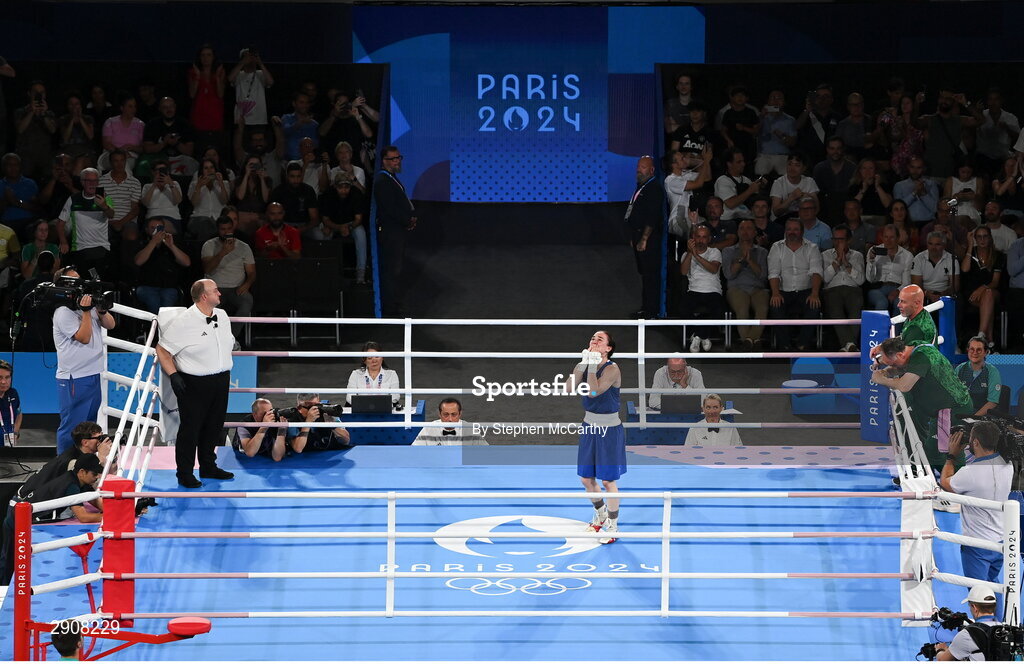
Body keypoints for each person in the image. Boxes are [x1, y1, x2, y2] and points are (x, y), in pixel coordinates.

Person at [155, 279, 236, 488]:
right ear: (204, 296)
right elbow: (162, 349)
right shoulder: (184, 321)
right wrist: (173, 375)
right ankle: (184, 473)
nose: (220, 293)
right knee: (190, 429)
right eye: (215, 290)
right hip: (194, 382)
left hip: (221, 379)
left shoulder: (223, 315)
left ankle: (208, 466)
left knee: (214, 426)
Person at [0, 453, 104, 584]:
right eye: (94, 474)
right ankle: (4, 590)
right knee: (10, 561)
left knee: (11, 559)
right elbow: (83, 517)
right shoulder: (71, 485)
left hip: (23, 517)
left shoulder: (80, 481)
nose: (97, 477)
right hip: (17, 520)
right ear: (82, 472)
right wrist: (108, 516)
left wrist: (121, 509)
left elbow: (96, 501)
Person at [871, 336, 973, 470]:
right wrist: (885, 370)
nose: (892, 367)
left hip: (955, 409)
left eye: (892, 363)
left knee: (944, 451)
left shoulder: (921, 357)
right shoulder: (914, 345)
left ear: (900, 354)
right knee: (941, 451)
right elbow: (902, 367)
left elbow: (904, 385)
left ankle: (955, 484)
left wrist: (880, 379)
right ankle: (952, 482)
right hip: (942, 409)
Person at [940, 422, 1012, 593]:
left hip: (978, 545)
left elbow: (945, 482)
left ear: (976, 442)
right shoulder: (1006, 464)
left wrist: (951, 455)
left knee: (978, 594)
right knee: (993, 586)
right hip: (1000, 541)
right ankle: (999, 620)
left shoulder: (969, 473)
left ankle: (985, 621)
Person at [52, 268, 116, 454]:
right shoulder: (63, 312)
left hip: (92, 375)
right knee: (72, 428)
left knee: (89, 429)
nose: (80, 284)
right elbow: (84, 337)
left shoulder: (86, 306)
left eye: (80, 280)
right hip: (74, 378)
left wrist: (101, 311)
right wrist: (87, 312)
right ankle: (62, 468)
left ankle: (84, 467)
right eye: (74, 281)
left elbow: (111, 324)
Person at [571, 330, 624, 545]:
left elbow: (594, 392)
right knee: (586, 478)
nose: (594, 341)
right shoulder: (584, 364)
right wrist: (583, 365)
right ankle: (601, 514)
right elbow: (567, 388)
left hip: (609, 430)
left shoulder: (613, 369)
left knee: (607, 480)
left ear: (608, 348)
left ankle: (613, 525)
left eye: (599, 339)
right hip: (589, 426)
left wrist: (591, 366)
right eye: (592, 338)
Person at [768, 218, 823, 351]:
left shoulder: (812, 247)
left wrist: (814, 294)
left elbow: (816, 272)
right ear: (785, 231)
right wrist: (775, 293)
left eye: (796, 229)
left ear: (802, 232)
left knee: (814, 306)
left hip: (806, 290)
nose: (792, 232)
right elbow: (774, 273)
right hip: (783, 291)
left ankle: (803, 344)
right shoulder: (776, 247)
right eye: (789, 229)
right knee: (775, 306)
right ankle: (785, 345)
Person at [373, 146, 416, 317]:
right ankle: (391, 308)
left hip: (397, 231)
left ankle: (394, 303)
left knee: (396, 269)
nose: (397, 161)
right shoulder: (383, 181)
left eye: (398, 157)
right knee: (392, 269)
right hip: (391, 233)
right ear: (384, 161)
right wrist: (407, 220)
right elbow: (390, 208)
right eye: (393, 158)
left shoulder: (391, 178)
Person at [56, 167, 115, 278]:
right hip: (79, 248)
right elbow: (60, 223)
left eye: (95, 181)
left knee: (97, 279)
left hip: (100, 247)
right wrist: (63, 242)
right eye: (89, 181)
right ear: (82, 182)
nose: (93, 184)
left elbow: (111, 215)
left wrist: (104, 206)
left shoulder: (105, 198)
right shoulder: (73, 199)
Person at [625, 155, 664, 318]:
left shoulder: (654, 188)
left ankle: (651, 311)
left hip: (648, 239)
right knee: (645, 274)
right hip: (638, 235)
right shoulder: (641, 186)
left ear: (652, 170)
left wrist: (644, 239)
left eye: (642, 167)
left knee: (650, 275)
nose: (638, 170)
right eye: (638, 167)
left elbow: (652, 216)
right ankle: (645, 307)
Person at [722, 218, 770, 347]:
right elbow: (728, 275)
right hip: (736, 288)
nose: (745, 232)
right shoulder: (728, 251)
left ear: (755, 232)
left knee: (763, 308)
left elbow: (763, 276)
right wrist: (739, 262)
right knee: (742, 309)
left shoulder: (762, 252)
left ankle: (748, 340)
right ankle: (752, 341)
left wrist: (750, 261)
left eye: (749, 228)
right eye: (742, 228)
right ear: (737, 232)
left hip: (758, 289)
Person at [202, 215, 256, 327]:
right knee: (209, 306)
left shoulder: (244, 247)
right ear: (218, 230)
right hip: (214, 289)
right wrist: (223, 252)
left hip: (237, 289)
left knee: (247, 301)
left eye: (229, 229)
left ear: (233, 229)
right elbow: (207, 269)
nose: (226, 232)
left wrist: (247, 284)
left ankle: (232, 338)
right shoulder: (209, 245)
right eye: (223, 229)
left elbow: (251, 272)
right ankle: (215, 339)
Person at [133, 217, 191, 314]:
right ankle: (158, 326)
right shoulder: (142, 244)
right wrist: (153, 242)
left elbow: (186, 262)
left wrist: (171, 246)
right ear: (147, 230)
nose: (156, 231)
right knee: (152, 299)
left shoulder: (170, 244)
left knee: (167, 299)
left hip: (168, 287)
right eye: (152, 228)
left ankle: (162, 326)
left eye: (159, 228)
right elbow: (138, 261)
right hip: (146, 286)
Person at [680, 224, 724, 353]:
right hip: (694, 290)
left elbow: (713, 269)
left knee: (718, 310)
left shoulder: (714, 252)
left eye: (704, 237)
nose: (701, 240)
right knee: (683, 309)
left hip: (713, 291)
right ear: (693, 238)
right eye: (698, 237)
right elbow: (683, 272)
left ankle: (698, 336)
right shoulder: (686, 254)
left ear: (709, 239)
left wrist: (697, 256)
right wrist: (690, 253)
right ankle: (703, 336)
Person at [822, 224, 865, 352]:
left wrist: (846, 264)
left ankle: (847, 345)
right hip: (832, 290)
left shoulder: (857, 256)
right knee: (835, 309)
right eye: (835, 239)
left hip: (853, 290)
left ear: (849, 240)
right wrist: (836, 262)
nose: (838, 243)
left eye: (841, 239)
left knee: (856, 307)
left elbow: (860, 280)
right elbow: (824, 279)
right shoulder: (825, 255)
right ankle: (850, 344)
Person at [960, 226, 1004, 343]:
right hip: (973, 295)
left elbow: (995, 282)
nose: (982, 240)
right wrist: (970, 246)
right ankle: (989, 341)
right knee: (987, 302)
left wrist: (982, 288)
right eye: (979, 237)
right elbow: (964, 269)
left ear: (990, 238)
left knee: (988, 293)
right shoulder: (971, 252)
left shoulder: (997, 256)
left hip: (993, 292)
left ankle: (980, 336)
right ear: (975, 239)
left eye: (985, 236)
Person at [934, 585, 1000, 661]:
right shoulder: (1004, 630)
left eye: (970, 606)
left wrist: (940, 650)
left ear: (974, 607)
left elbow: (942, 660)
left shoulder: (967, 635)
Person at [866, 224, 914, 315]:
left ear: (898, 238)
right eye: (886, 237)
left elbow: (906, 281)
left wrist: (897, 291)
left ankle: (896, 330)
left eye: (892, 237)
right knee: (882, 303)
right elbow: (870, 279)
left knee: (899, 304)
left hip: (898, 288)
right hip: (878, 288)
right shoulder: (874, 251)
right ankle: (879, 329)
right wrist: (871, 261)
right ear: (882, 237)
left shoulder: (907, 256)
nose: (888, 241)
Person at [283, 393, 350, 452]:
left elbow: (346, 440)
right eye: (310, 407)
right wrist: (308, 423)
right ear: (299, 408)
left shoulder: (326, 412)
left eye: (317, 406)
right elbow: (298, 449)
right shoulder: (293, 418)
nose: (315, 410)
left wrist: (333, 425)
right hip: (306, 459)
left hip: (329, 454)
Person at [955, 335, 1002, 417]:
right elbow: (953, 395)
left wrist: (974, 418)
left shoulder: (992, 372)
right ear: (968, 350)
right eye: (972, 349)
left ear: (986, 352)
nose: (975, 352)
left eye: (979, 350)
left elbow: (992, 402)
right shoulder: (960, 369)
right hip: (961, 415)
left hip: (983, 418)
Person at [412, 398, 488, 446]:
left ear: (460, 414)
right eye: (446, 414)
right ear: (439, 414)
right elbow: (413, 453)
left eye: (454, 414)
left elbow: (487, 453)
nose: (450, 419)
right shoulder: (428, 429)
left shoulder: (469, 430)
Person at [345, 341, 400, 405]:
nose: (374, 361)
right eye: (370, 358)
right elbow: (349, 397)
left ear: (382, 358)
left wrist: (377, 405)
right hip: (361, 411)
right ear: (364, 360)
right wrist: (366, 405)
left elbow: (395, 397)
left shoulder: (392, 374)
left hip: (384, 411)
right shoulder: (355, 374)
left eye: (377, 357)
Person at [912, 231, 960, 305]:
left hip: (945, 294)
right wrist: (927, 294)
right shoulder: (918, 259)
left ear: (944, 246)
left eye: (937, 244)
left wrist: (943, 294)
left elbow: (955, 286)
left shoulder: (952, 259)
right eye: (930, 244)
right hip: (924, 294)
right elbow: (916, 284)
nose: (933, 248)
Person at [0, 360, 22, 447]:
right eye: (0, 377)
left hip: (8, 445)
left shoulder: (13, 393)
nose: (3, 382)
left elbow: (19, 414)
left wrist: (15, 433)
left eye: (7, 377)